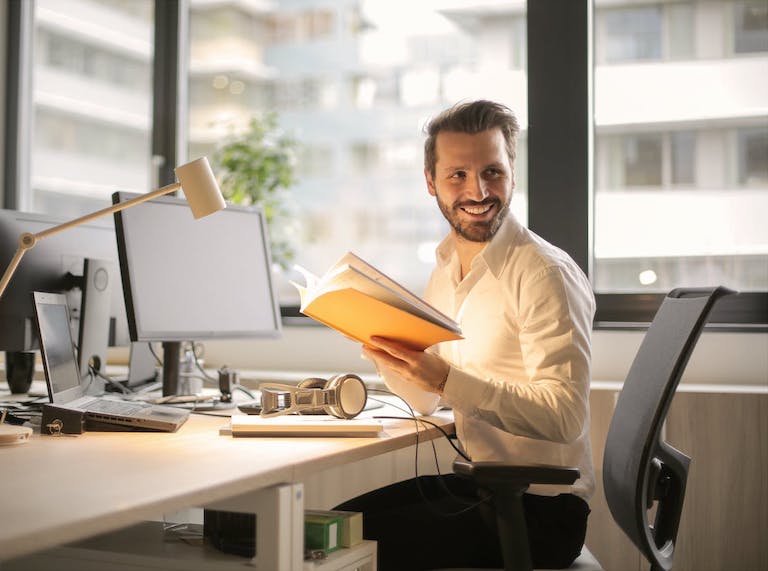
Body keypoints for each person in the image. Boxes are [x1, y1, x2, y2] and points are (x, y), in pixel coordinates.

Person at [335, 100, 596, 570]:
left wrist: (445, 379)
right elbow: (425, 402)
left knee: (337, 550)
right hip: (482, 488)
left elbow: (565, 416)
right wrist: (386, 352)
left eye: (492, 171)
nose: (478, 190)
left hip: (540, 511)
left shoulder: (544, 273)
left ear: (512, 172)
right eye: (458, 175)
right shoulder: (446, 268)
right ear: (430, 182)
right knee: (330, 527)